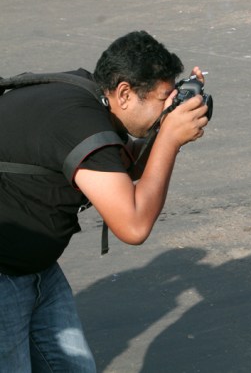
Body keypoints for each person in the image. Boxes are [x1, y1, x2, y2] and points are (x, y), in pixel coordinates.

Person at [0, 30, 210, 372]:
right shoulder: (77, 121)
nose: (167, 108)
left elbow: (119, 164)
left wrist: (167, 126)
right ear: (124, 92)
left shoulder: (85, 96)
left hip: (36, 268)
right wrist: (169, 139)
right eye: (163, 99)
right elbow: (133, 225)